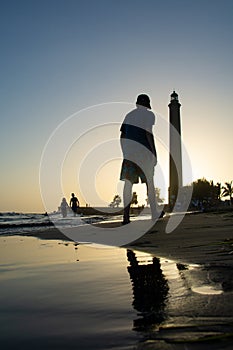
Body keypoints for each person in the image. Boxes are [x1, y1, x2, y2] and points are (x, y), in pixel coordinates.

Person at [120, 94, 161, 224]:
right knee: (149, 182)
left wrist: (125, 152)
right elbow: (148, 132)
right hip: (143, 153)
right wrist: (154, 152)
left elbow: (122, 136)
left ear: (137, 104)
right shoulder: (149, 115)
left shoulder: (128, 116)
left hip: (129, 154)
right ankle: (154, 213)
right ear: (147, 105)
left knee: (128, 184)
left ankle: (126, 217)